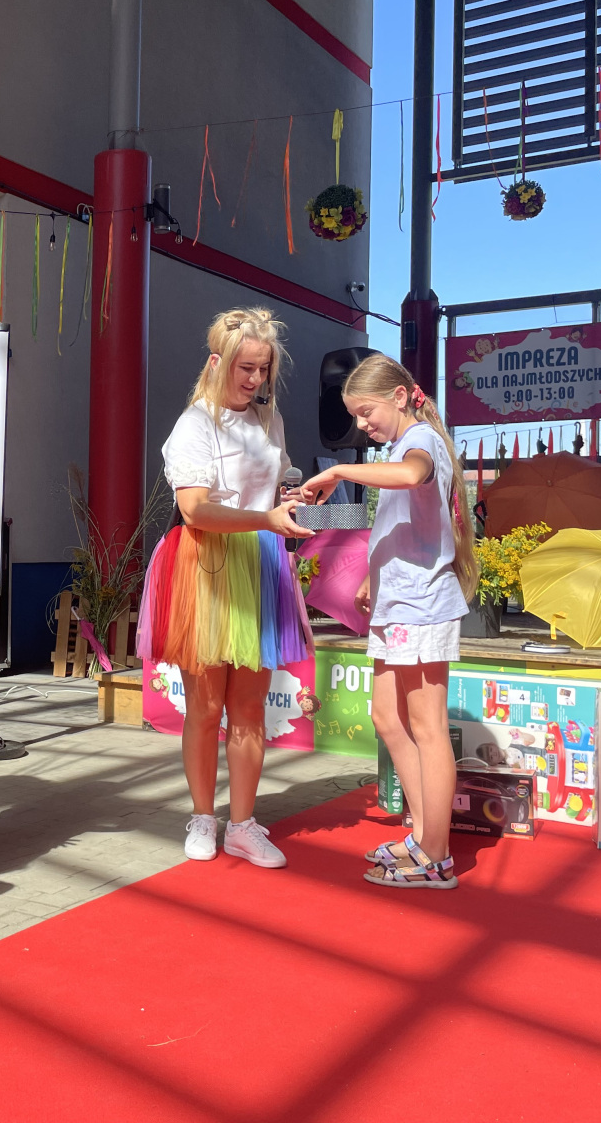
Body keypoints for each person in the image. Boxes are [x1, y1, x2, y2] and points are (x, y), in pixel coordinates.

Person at [135, 307, 313, 869]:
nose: (256, 379)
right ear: (218, 362)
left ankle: (242, 824)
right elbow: (194, 510)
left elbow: (276, 486)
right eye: (246, 368)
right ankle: (201, 817)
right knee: (206, 708)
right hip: (206, 565)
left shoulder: (269, 421)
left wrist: (298, 498)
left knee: (250, 708)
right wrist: (266, 519)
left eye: (264, 369)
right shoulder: (194, 424)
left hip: (260, 564)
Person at [297, 354, 475, 889]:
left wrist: (337, 470)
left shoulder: (420, 442)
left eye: (366, 412)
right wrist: (372, 573)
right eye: (355, 415)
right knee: (387, 718)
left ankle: (436, 854)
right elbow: (395, 518)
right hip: (397, 603)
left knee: (426, 726)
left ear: (399, 397)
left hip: (421, 605)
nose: (362, 425)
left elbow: (411, 476)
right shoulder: (399, 446)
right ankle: (423, 836)